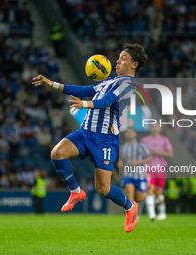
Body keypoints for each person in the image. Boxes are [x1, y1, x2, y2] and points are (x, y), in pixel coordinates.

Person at [32, 43, 147, 232]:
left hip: (104, 140)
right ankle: (76, 192)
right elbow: (83, 90)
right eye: (118, 57)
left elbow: (106, 102)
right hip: (85, 132)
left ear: (134, 64)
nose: (117, 61)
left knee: (104, 188)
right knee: (57, 153)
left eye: (123, 58)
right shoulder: (109, 81)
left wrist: (85, 105)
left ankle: (130, 207)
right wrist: (51, 84)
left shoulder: (128, 84)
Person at [141, 123, 173, 221]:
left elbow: (170, 154)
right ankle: (152, 214)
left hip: (160, 167)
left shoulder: (164, 140)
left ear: (159, 128)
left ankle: (162, 212)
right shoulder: (144, 140)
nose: (154, 128)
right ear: (150, 128)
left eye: (156, 126)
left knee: (159, 191)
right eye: (152, 126)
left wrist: (158, 152)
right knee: (150, 189)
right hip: (149, 167)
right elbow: (140, 153)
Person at [119, 127, 152, 211]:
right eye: (127, 132)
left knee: (140, 198)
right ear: (125, 135)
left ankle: (137, 210)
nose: (129, 133)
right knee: (129, 194)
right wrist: (120, 163)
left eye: (131, 132)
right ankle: (132, 214)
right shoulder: (123, 147)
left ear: (135, 134)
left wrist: (139, 162)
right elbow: (121, 160)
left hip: (139, 175)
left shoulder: (140, 146)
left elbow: (149, 158)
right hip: (128, 175)